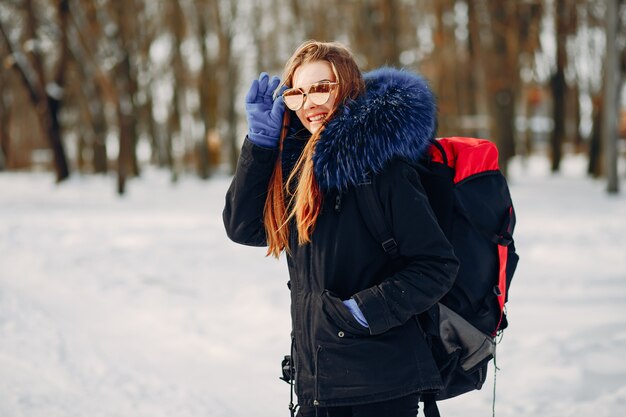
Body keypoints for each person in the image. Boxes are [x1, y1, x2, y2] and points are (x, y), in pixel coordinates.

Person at [223, 40, 459, 417]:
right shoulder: (300, 175)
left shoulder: (384, 171)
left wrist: (359, 313)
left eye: (321, 87)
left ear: (347, 86)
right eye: (298, 93)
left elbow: (436, 265)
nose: (310, 102)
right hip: (318, 381)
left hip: (380, 385)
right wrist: (262, 145)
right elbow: (243, 226)